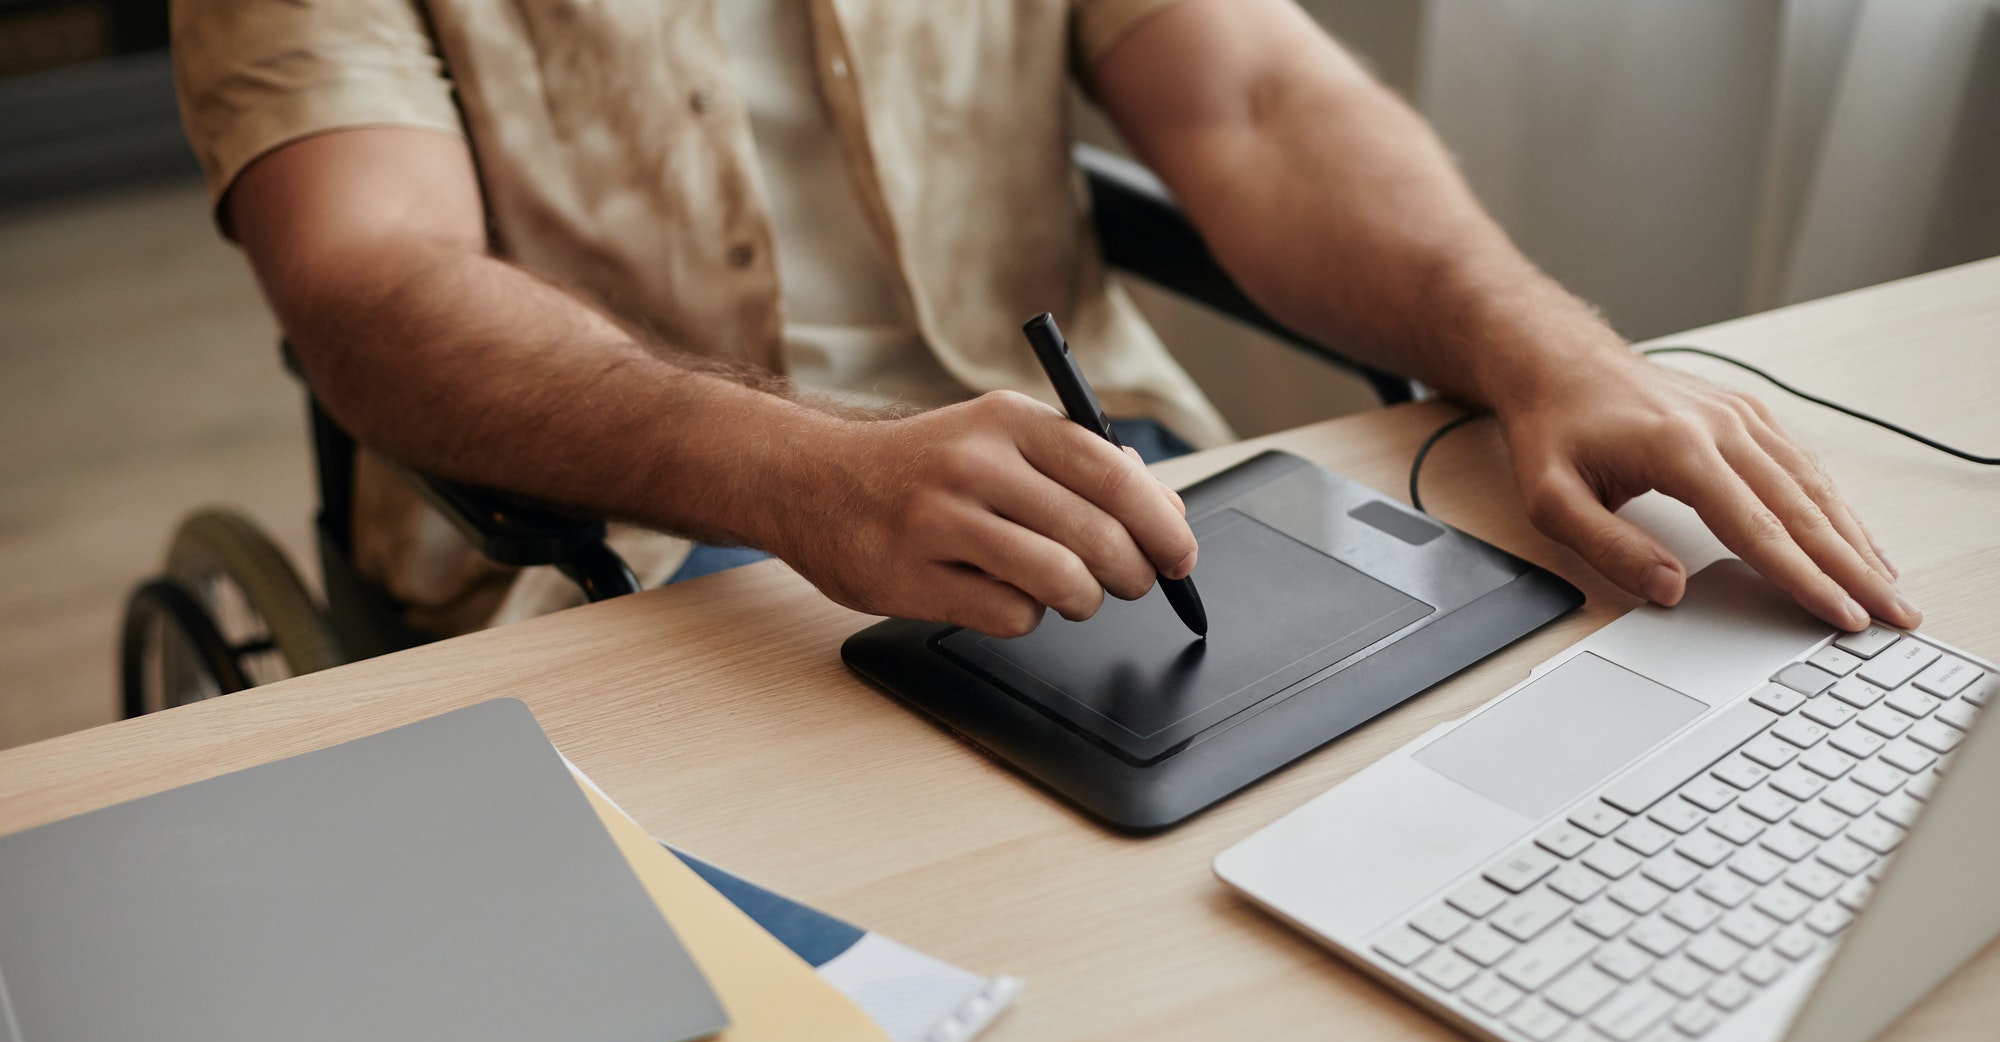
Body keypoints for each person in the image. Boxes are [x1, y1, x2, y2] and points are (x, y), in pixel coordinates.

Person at [172, 0, 1919, 640]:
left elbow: (1250, 99)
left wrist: (1537, 338)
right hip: (630, 545)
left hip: (1107, 470)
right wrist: (804, 476)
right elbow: (370, 275)